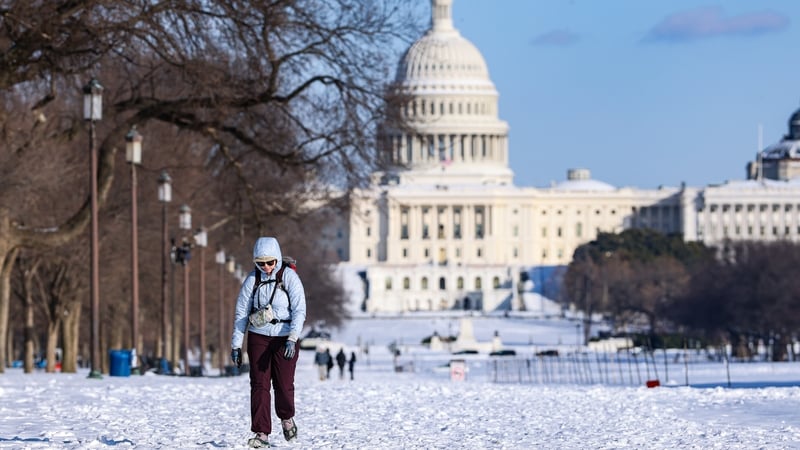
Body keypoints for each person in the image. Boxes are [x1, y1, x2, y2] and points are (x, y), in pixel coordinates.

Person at [231, 237, 306, 449]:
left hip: (284, 336)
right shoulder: (252, 280)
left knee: (283, 384)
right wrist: (236, 345)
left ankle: (286, 417)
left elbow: (300, 310)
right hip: (259, 335)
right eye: (261, 263)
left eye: (270, 262)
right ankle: (261, 432)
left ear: (278, 259)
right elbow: (241, 314)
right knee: (259, 384)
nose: (266, 267)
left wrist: (292, 338)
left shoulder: (289, 277)